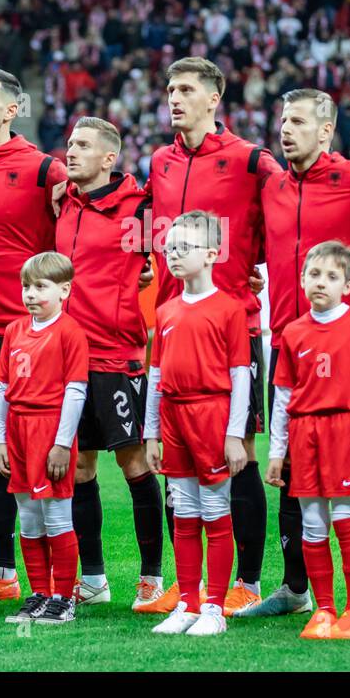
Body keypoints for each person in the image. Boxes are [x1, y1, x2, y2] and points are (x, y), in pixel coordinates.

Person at [239, 88, 350, 620]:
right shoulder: (271, 186)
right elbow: (251, 242)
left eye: (300, 122)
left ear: (326, 131)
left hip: (346, 346)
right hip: (285, 342)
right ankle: (294, 588)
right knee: (290, 467)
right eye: (283, 120)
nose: (286, 130)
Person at [142, 56, 281, 614]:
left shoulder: (250, 160)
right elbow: (150, 229)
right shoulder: (159, 161)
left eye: (187, 89)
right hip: (173, 327)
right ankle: (190, 586)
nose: (174, 98)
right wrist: (146, 262)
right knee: (179, 461)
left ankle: (245, 579)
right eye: (170, 89)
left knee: (238, 452)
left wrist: (257, 260)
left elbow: (292, 209)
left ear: (215, 98)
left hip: (234, 327)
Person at [0, 67, 67, 605]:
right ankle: (2, 572)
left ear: (11, 109)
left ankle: (80, 583)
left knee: (45, 457)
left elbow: (79, 233)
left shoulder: (46, 170)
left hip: (30, 334)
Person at [265, 241, 350, 640]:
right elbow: (283, 396)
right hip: (304, 435)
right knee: (313, 524)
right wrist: (276, 452)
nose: (321, 283)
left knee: (345, 519)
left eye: (332, 277)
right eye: (314, 275)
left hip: (346, 430)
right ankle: (323, 609)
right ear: (302, 281)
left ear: (348, 286)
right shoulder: (293, 331)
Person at [55, 117, 154, 607]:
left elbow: (188, 248)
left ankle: (152, 578)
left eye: (83, 146)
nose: (70, 152)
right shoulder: (63, 203)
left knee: (134, 461)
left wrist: (151, 268)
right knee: (80, 468)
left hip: (117, 354)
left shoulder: (141, 209)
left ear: (109, 158)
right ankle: (93, 581)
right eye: (70, 143)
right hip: (68, 357)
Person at [144, 211, 251, 637]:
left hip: (211, 415)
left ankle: (215, 607)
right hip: (173, 416)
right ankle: (187, 601)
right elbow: (155, 376)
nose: (173, 254)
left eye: (183, 248)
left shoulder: (229, 309)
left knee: (215, 510)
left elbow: (241, 374)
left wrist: (234, 434)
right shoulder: (166, 310)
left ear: (211, 254)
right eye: (169, 247)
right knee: (184, 510)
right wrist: (151, 432)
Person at [0, 252, 90, 626]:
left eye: (40, 286)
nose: (30, 294)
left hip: (49, 429)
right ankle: (38, 593)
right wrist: (1, 439)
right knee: (29, 517)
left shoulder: (70, 332)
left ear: (64, 289)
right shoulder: (13, 331)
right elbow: (3, 386)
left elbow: (76, 390)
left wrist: (63, 443)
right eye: (26, 287)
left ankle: (63, 597)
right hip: (18, 430)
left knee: (56, 516)